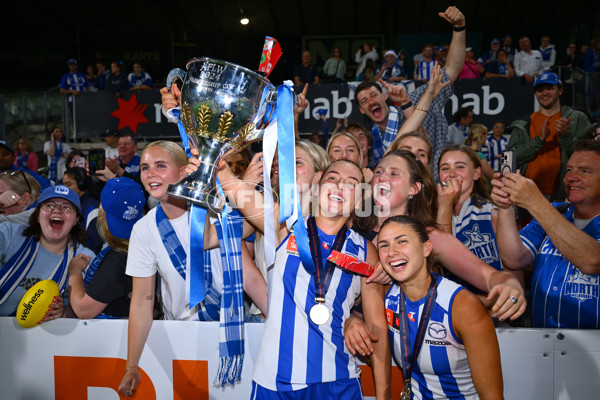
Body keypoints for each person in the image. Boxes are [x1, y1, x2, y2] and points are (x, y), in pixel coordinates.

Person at [217, 158, 390, 399]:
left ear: (360, 200)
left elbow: (376, 327)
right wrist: (219, 165)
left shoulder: (365, 251)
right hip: (275, 381)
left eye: (351, 184)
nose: (339, 187)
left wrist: (383, 394)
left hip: (338, 382)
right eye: (333, 178)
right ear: (318, 185)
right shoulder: (286, 227)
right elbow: (235, 188)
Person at [118, 141, 267, 397]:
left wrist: (283, 327)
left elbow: (250, 278)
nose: (150, 173)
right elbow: (142, 301)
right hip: (182, 339)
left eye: (160, 166)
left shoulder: (217, 210)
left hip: (231, 332)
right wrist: (132, 365)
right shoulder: (143, 230)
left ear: (185, 171)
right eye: (144, 167)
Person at [377, 215, 503, 399]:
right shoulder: (386, 296)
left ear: (426, 248)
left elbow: (492, 396)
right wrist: (352, 323)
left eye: (402, 241)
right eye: (384, 245)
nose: (391, 252)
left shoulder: (462, 306)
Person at [491, 139, 600, 328]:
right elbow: (514, 258)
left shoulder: (546, 211)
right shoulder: (556, 211)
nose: (572, 177)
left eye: (584, 171)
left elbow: (592, 260)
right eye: (569, 170)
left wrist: (535, 202)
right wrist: (505, 205)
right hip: (542, 344)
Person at [354, 6, 466, 175]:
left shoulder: (416, 99)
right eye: (364, 101)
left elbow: (452, 70)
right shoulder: (373, 143)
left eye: (373, 95)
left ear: (384, 96)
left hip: (443, 186)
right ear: (362, 110)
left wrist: (459, 27)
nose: (371, 102)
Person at [0, 185, 95, 318]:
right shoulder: (8, 234)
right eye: (49, 205)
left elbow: (95, 310)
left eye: (67, 207)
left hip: (46, 336)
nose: (57, 211)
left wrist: (65, 312)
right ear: (38, 215)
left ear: (76, 220)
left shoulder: (86, 259)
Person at [67, 177, 145, 319]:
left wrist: (75, 271)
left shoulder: (118, 260)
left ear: (101, 210)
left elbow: (83, 310)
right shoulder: (139, 248)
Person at [506, 72, 591, 201]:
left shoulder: (577, 118)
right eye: (540, 90)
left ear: (560, 90)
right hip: (528, 196)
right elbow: (508, 158)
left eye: (550, 88)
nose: (544, 93)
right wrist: (539, 140)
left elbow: (589, 158)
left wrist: (566, 136)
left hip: (565, 195)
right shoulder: (524, 123)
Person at [436, 145, 501, 271]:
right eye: (445, 168)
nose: (452, 174)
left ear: (476, 173)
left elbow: (514, 266)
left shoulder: (490, 213)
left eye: (460, 167)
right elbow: (441, 261)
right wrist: (444, 206)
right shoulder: (432, 214)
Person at [62, 167, 103, 254]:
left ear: (81, 184)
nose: (65, 189)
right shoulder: (73, 204)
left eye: (68, 184)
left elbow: (94, 245)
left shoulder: (92, 207)